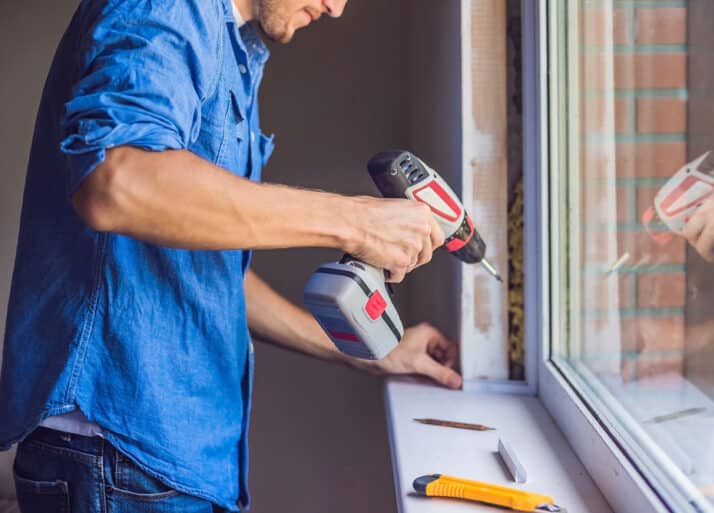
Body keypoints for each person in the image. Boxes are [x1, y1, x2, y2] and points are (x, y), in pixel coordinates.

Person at [0, 1, 462, 512]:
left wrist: (369, 349)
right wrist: (354, 220)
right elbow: (116, 180)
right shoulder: (169, 7)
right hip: (121, 455)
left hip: (161, 461)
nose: (335, 7)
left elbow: (206, 275)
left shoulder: (233, 47)